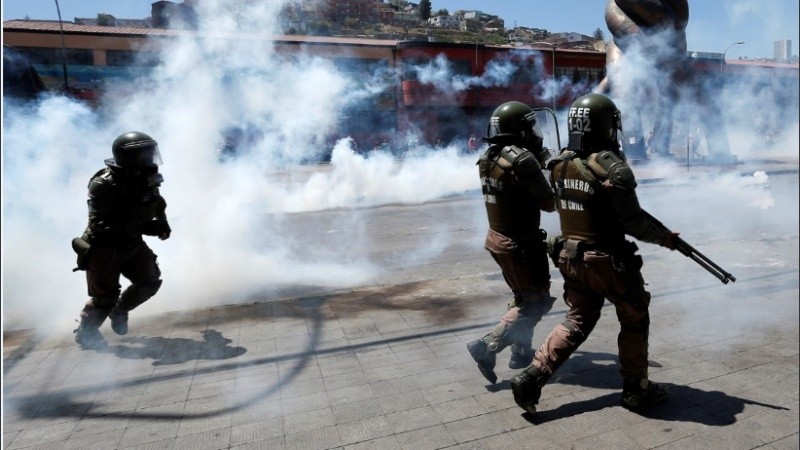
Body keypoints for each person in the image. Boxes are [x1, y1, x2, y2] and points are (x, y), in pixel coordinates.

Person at [510, 93, 679, 413]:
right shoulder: (613, 169)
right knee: (634, 318)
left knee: (576, 321)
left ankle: (531, 377)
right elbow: (634, 222)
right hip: (609, 262)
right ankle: (636, 389)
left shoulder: (560, 164)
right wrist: (666, 238)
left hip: (571, 258)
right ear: (605, 127)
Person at [466, 101, 557, 384]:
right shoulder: (522, 161)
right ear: (519, 130)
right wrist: (545, 167)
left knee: (522, 297)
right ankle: (487, 346)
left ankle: (521, 350)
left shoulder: (489, 157)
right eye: (529, 126)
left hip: (498, 240)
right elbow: (549, 203)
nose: (534, 132)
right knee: (536, 303)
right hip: (521, 245)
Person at [71, 131, 172, 350]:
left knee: (149, 282)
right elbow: (101, 223)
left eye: (150, 154)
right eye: (143, 155)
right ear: (128, 158)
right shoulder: (103, 184)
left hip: (132, 243)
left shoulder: (145, 176)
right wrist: (145, 227)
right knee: (104, 298)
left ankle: (121, 310)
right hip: (103, 247)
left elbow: (156, 201)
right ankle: (86, 333)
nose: (149, 159)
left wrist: (163, 222)